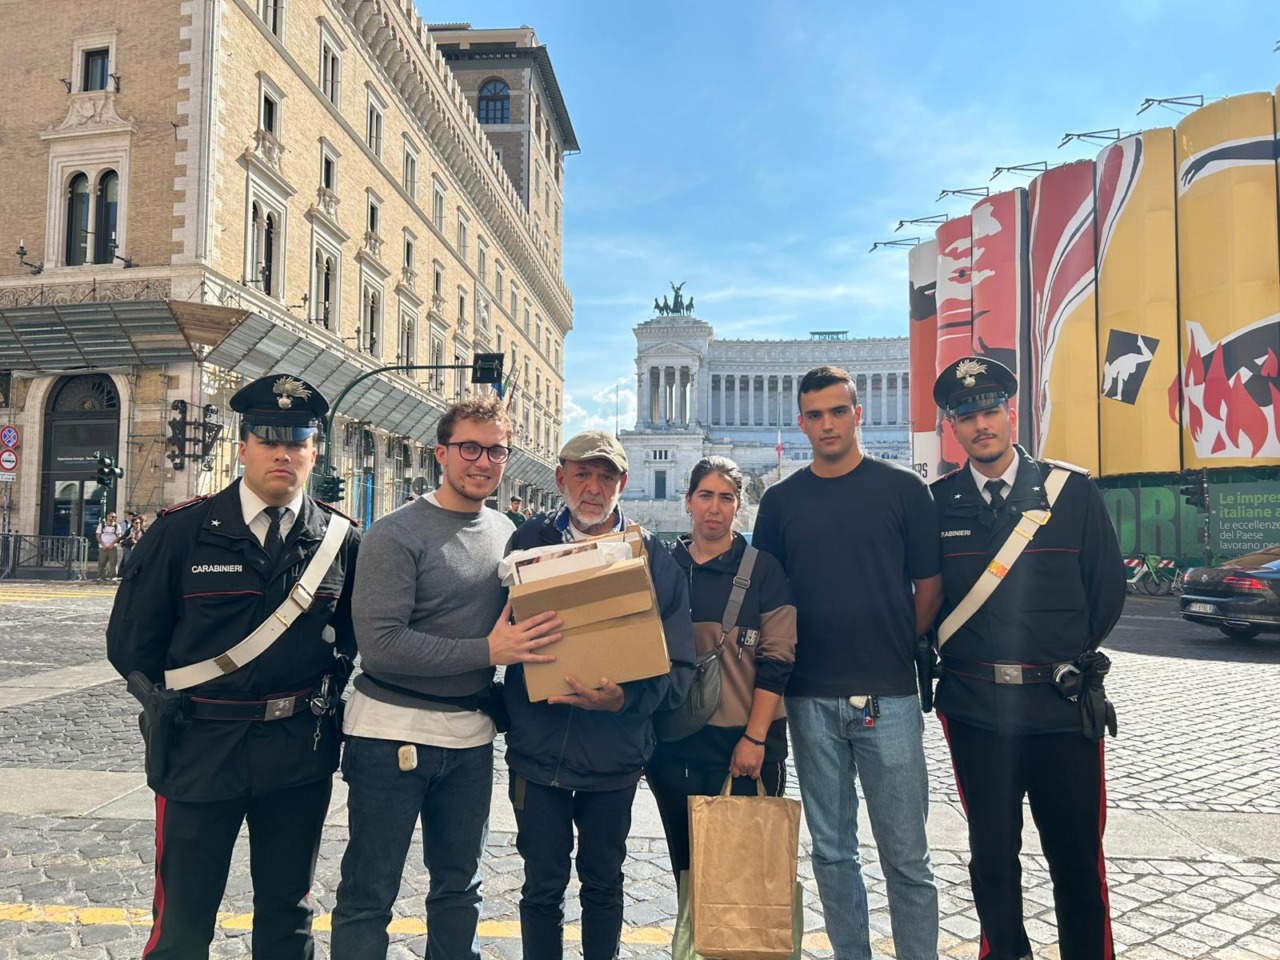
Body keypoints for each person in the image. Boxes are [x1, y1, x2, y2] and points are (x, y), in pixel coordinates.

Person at [105, 374, 361, 960]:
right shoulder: (182, 532)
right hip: (201, 747)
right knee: (183, 921)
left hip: (298, 749)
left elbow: (350, 642)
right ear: (243, 447)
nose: (283, 454)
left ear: (313, 451)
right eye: (268, 439)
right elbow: (131, 646)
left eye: (296, 441)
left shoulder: (340, 539)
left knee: (288, 915)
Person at [331, 395, 563, 960]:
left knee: (460, 890)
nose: (483, 461)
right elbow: (381, 647)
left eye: (496, 451)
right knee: (369, 893)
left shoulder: (507, 531)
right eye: (470, 448)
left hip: (469, 741)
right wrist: (489, 648)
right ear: (441, 453)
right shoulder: (394, 533)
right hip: (390, 737)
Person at [929, 357, 1126, 960]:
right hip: (976, 711)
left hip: (1060, 708)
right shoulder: (937, 505)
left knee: (1076, 861)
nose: (981, 425)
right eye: (967, 417)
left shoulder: (1072, 493)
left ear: (1012, 413)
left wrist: (1052, 657)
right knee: (991, 858)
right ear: (952, 428)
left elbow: (1105, 594)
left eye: (991, 411)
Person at [753, 365, 943, 960]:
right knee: (832, 852)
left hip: (889, 694)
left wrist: (891, 640)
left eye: (838, 411)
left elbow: (929, 587)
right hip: (808, 696)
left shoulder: (905, 489)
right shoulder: (781, 501)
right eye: (815, 414)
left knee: (907, 856)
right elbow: (769, 599)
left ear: (858, 413)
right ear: (801, 421)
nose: (827, 424)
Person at [503, 429, 696, 960]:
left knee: (604, 883)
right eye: (582, 474)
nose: (593, 487)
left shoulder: (655, 558)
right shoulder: (525, 545)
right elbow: (498, 636)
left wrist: (625, 701)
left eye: (605, 476)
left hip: (612, 755)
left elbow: (677, 663)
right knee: (540, 886)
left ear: (623, 484)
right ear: (560, 477)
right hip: (537, 753)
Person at [647, 455, 796, 884]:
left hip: (743, 750)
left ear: (739, 505)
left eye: (726, 498)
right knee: (687, 874)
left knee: (742, 879)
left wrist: (755, 738)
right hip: (674, 748)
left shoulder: (765, 569)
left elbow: (778, 658)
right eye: (705, 496)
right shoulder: (663, 566)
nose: (715, 507)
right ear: (688, 501)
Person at [95, 510, 126, 580]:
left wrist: (113, 544)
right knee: (102, 562)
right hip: (103, 547)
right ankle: (101, 576)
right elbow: (98, 535)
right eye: (112, 517)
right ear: (108, 517)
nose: (113, 518)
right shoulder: (102, 525)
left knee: (113, 562)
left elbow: (118, 536)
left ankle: (113, 575)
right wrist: (102, 544)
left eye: (115, 517)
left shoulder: (116, 526)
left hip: (112, 547)